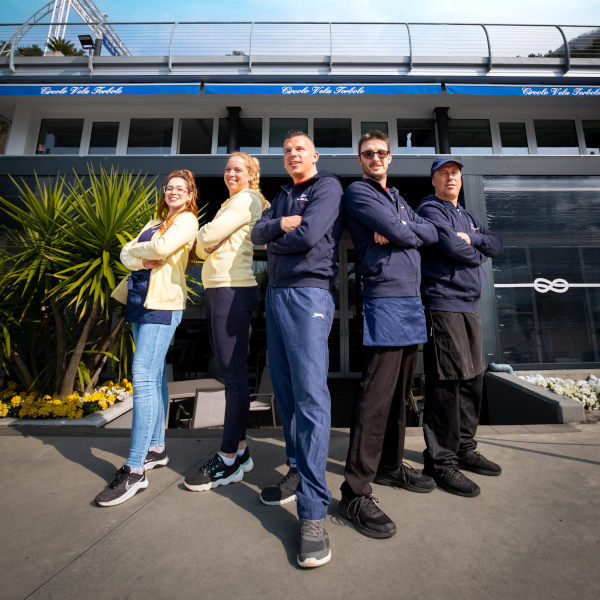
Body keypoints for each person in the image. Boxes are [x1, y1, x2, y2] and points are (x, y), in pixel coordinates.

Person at [339, 131, 439, 538]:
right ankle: (354, 490)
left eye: (381, 153)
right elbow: (411, 235)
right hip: (383, 299)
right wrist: (404, 232)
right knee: (376, 396)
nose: (375, 158)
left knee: (401, 393)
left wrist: (402, 228)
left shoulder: (398, 198)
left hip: (412, 301)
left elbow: (429, 233)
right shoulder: (357, 194)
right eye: (368, 154)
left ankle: (390, 465)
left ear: (390, 157)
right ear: (359, 160)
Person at [251, 131, 343, 568]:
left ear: (315, 155)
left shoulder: (327, 187)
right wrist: (275, 228)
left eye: (300, 149)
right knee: (285, 392)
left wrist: (275, 238)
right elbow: (255, 232)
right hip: (276, 295)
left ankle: (312, 511)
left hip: (309, 294)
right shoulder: (283, 192)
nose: (292, 155)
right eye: (287, 151)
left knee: (309, 397)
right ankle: (295, 469)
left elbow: (307, 238)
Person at [96, 170, 199, 507]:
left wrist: (138, 251)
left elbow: (162, 247)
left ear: (189, 194)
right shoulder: (153, 221)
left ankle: (135, 468)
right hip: (139, 301)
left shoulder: (186, 221)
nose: (173, 192)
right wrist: (142, 252)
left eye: (180, 189)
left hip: (163, 304)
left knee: (141, 378)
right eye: (169, 187)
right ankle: (156, 448)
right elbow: (127, 254)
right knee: (153, 376)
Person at [416, 158, 504, 498]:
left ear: (461, 180)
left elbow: (495, 244)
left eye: (455, 173)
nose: (450, 178)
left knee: (472, 379)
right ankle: (440, 462)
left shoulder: (467, 216)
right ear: (434, 180)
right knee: (446, 383)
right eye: (443, 173)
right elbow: (456, 249)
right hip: (443, 303)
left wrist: (473, 239)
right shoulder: (430, 209)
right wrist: (473, 245)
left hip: (470, 305)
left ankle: (464, 448)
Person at [184, 153, 269, 492]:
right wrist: (205, 241)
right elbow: (201, 250)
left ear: (251, 175)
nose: (231, 173)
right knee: (229, 374)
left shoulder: (246, 200)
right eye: (228, 169)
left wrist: (205, 239)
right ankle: (242, 450)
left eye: (239, 169)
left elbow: (206, 238)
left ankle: (228, 458)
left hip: (232, 290)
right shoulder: (230, 203)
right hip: (221, 289)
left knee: (233, 377)